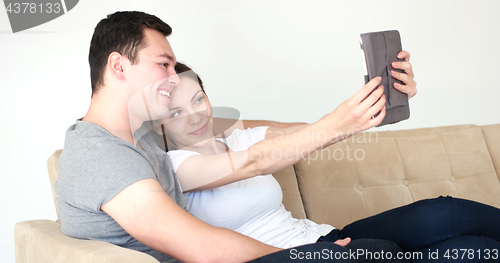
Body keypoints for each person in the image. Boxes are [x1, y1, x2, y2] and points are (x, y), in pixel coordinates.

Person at [55, 11, 411, 263]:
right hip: (243, 257)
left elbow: (229, 127)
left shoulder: (140, 137)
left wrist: (374, 106)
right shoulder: (101, 156)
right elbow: (202, 249)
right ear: (118, 66)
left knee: (407, 246)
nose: (175, 78)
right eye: (163, 64)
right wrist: (308, 254)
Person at [161, 62, 500, 262]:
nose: (194, 116)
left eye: (198, 99)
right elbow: (255, 163)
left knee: (449, 213)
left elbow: (318, 132)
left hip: (325, 238)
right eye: (176, 112)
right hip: (298, 256)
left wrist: (384, 99)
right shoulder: (172, 167)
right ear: (156, 122)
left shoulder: (236, 139)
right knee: (394, 251)